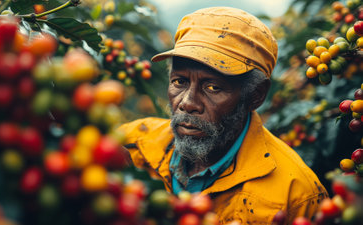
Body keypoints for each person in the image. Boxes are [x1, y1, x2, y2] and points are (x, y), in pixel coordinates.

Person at [118, 7, 328, 224]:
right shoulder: (130, 146)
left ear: (256, 96)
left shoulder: (297, 195)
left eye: (213, 87)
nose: (188, 103)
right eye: (179, 82)